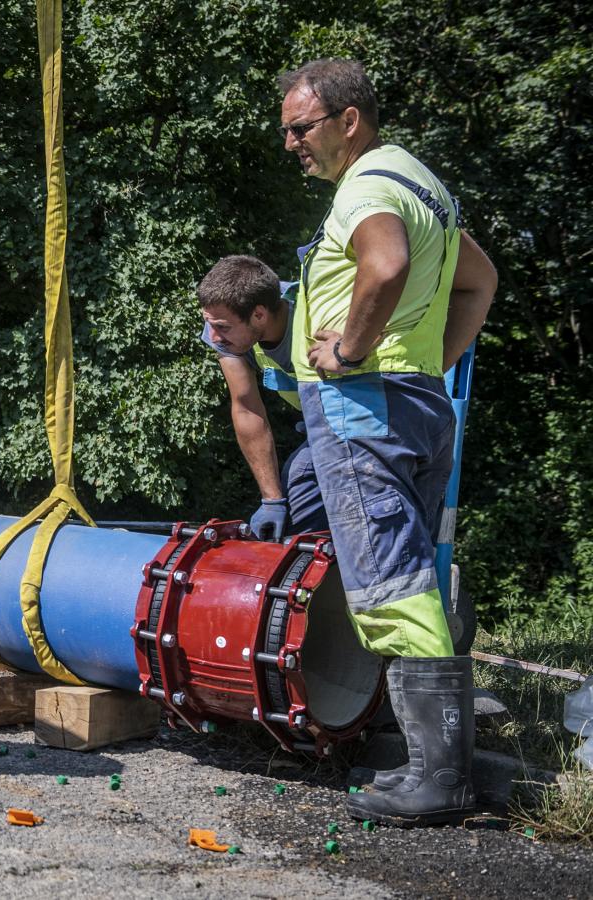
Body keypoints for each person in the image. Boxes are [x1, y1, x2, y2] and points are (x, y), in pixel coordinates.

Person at [275, 59, 496, 825]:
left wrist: (351, 352)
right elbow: (480, 281)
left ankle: (437, 777)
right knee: (410, 575)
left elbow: (387, 265)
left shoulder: (367, 186)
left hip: (363, 404)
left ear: (348, 121)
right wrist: (430, 365)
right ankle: (434, 766)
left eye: (300, 129)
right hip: (417, 403)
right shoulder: (420, 181)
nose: (292, 144)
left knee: (390, 582)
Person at [197, 256, 327, 541]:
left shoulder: (317, 312)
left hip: (373, 422)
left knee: (304, 481)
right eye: (210, 324)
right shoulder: (228, 333)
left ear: (259, 314)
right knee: (291, 505)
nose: (214, 337)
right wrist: (271, 501)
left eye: (223, 327)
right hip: (320, 431)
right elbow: (246, 409)